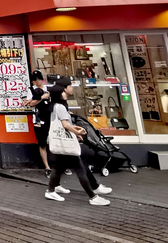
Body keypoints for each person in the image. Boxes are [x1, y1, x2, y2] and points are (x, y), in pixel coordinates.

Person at [44, 77, 111, 206]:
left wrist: (74, 131)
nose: (66, 93)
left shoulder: (54, 107)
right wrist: (77, 132)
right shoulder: (61, 107)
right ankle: (93, 196)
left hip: (61, 141)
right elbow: (65, 124)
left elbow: (64, 125)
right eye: (64, 91)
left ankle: (51, 190)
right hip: (66, 142)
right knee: (80, 169)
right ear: (61, 93)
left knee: (58, 167)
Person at [26, 71, 52, 175]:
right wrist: (41, 97)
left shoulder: (48, 88)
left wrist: (43, 96)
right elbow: (31, 104)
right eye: (35, 80)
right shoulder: (31, 90)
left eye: (39, 79)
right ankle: (47, 167)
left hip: (50, 117)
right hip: (38, 119)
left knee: (54, 141)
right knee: (42, 143)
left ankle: (59, 165)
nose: (38, 82)